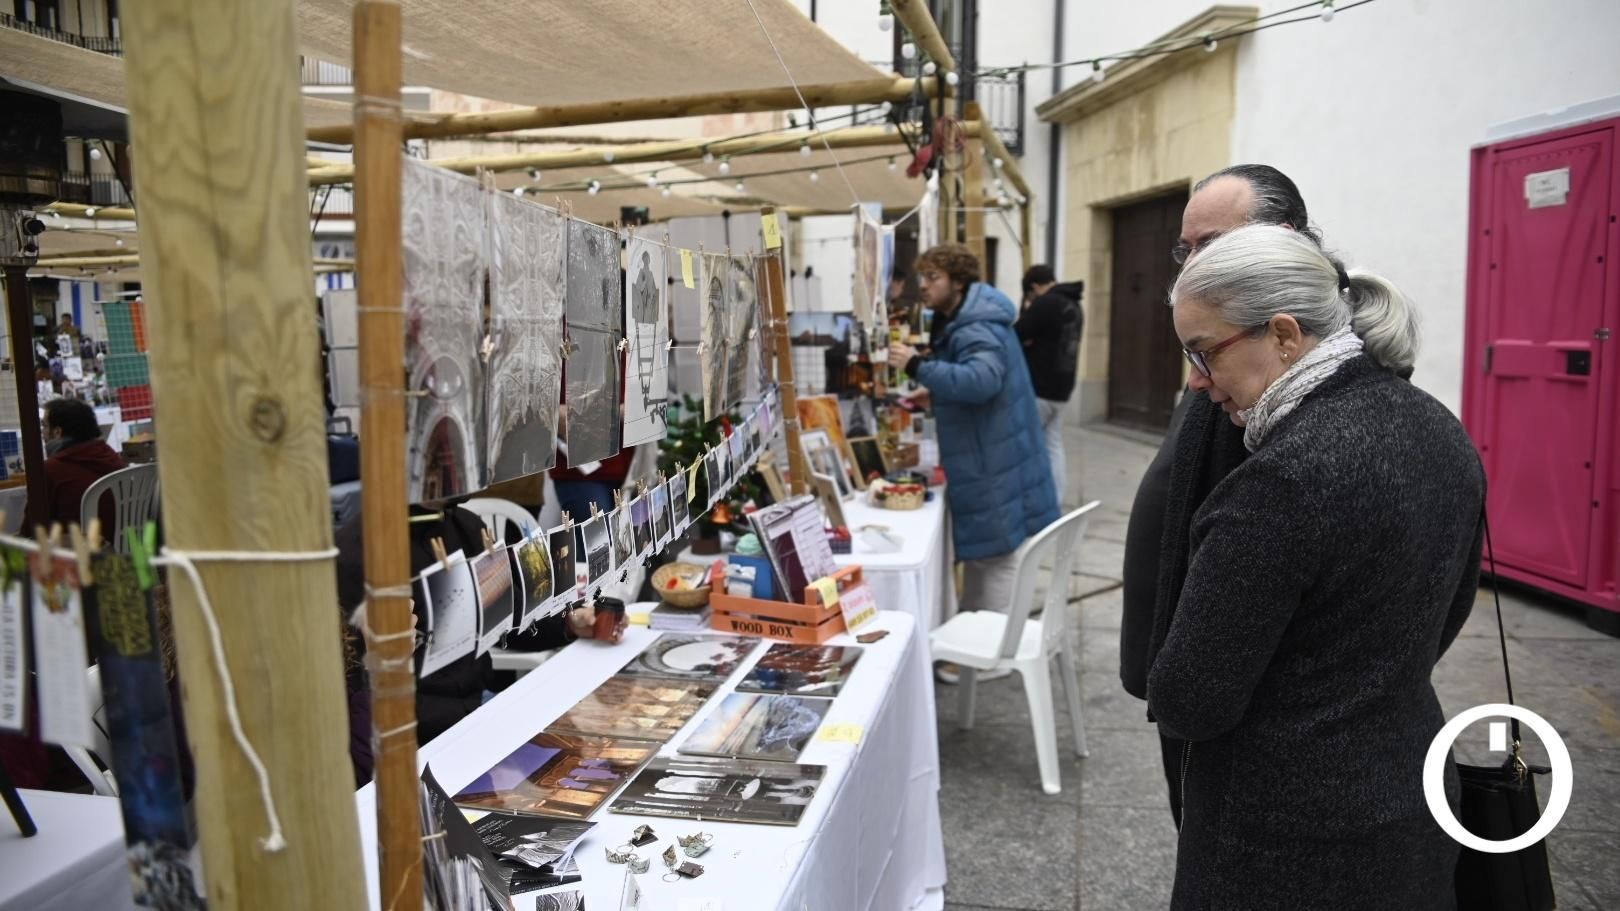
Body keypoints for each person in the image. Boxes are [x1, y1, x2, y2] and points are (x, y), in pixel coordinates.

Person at [1147, 224, 1476, 908]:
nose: (1197, 381)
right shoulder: (1439, 427)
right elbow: (1446, 614)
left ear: (1285, 335)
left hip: (1285, 838)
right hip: (1411, 792)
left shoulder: (1279, 484)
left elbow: (1190, 696)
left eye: (1204, 352)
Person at [1120, 163, 1326, 826]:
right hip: (1188, 669)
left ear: (1280, 239)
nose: (1190, 265)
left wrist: (1200, 677)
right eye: (1187, 249)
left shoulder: (1287, 358)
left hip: (1229, 690)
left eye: (1210, 244)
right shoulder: (1228, 331)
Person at [888, 244, 1058, 678]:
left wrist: (918, 367)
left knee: (1000, 555)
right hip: (997, 450)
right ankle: (978, 639)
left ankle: (995, 656)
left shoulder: (973, 325)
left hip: (993, 456)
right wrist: (937, 389)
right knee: (991, 554)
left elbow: (982, 380)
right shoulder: (973, 317)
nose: (923, 287)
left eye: (933, 278)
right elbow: (981, 381)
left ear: (957, 282)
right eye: (922, 277)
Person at [1016, 265, 1083, 505]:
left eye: (1029, 295)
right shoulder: (1073, 305)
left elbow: (1016, 333)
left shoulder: (1046, 304)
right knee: (1053, 445)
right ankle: (1054, 500)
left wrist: (1027, 311)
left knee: (1028, 445)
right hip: (1062, 389)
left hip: (1039, 387)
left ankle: (1030, 501)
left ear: (1034, 287)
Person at [32, 397, 126, 530]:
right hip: (123, 544)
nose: (42, 432)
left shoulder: (51, 469)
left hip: (76, 546)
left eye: (45, 425)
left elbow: (32, 526)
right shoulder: (113, 458)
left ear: (58, 432)